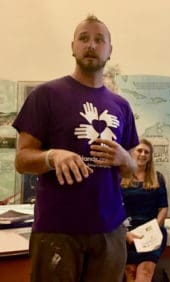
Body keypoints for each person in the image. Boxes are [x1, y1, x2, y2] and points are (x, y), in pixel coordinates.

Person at [13, 14, 139, 282]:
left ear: (109, 50)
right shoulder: (46, 95)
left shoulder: (121, 106)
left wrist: (124, 158)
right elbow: (22, 159)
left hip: (109, 230)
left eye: (99, 40)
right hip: (57, 231)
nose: (91, 45)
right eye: (84, 38)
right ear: (73, 47)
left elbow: (133, 169)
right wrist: (51, 155)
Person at [121, 139, 168, 282]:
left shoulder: (157, 177)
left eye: (146, 152)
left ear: (150, 157)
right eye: (139, 150)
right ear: (131, 153)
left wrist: (152, 230)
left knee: (145, 273)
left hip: (151, 231)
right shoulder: (119, 178)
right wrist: (124, 234)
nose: (142, 154)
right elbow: (113, 208)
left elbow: (163, 209)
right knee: (130, 273)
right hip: (127, 233)